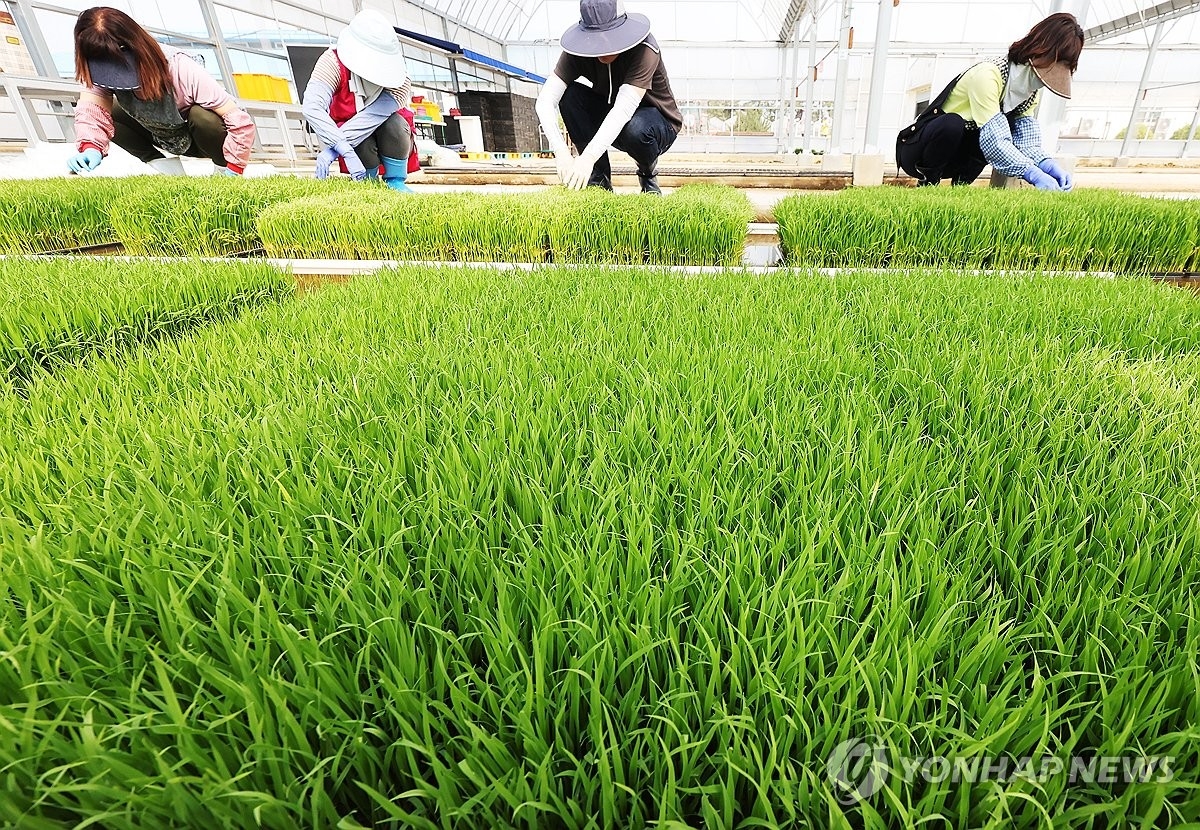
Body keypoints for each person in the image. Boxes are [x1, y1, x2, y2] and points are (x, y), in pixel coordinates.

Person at [896, 12, 1084, 191]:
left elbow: (1027, 142)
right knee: (955, 124)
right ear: (1039, 49)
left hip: (954, 158)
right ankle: (928, 183)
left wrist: (1046, 164)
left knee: (999, 128)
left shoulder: (1030, 93)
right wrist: (1033, 174)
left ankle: (960, 188)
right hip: (918, 153)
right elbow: (995, 141)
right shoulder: (989, 74)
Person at [68, 6, 255, 176]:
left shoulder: (179, 66)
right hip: (160, 136)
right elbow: (91, 112)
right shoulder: (97, 71)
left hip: (197, 140)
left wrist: (234, 167)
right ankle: (167, 170)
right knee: (111, 110)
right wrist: (90, 146)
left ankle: (220, 170)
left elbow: (239, 120)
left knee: (204, 116)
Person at [535, 0, 681, 194]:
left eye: (609, 38)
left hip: (656, 125)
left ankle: (648, 174)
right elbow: (545, 101)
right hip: (613, 120)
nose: (603, 47)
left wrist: (587, 158)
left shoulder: (645, 49)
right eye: (595, 39)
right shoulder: (576, 52)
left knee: (636, 128)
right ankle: (599, 183)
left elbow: (623, 109)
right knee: (570, 96)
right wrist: (560, 152)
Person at [301, 9, 418, 193]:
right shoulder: (332, 62)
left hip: (390, 137)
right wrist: (343, 148)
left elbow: (370, 118)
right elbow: (312, 106)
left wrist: (335, 150)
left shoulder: (400, 81)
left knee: (394, 124)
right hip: (356, 139)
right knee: (361, 140)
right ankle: (366, 184)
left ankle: (395, 181)